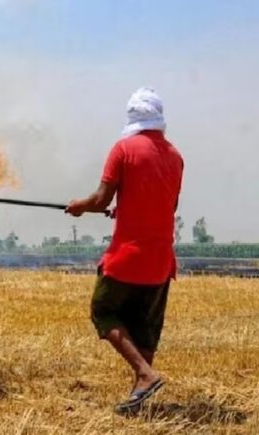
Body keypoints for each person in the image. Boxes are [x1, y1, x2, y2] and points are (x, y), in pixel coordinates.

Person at [65, 87, 184, 414]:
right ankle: (139, 398)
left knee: (103, 309)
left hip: (128, 258)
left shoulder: (123, 149)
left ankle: (145, 374)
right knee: (145, 326)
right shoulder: (176, 157)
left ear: (132, 118)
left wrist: (80, 206)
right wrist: (126, 207)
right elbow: (166, 205)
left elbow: (101, 200)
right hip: (161, 260)